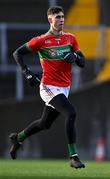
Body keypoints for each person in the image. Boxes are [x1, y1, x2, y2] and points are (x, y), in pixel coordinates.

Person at [9, 6, 86, 169]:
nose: (62, 20)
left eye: (63, 17)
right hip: (48, 87)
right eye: (58, 17)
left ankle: (18, 138)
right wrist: (27, 73)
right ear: (50, 20)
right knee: (71, 113)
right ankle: (73, 157)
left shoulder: (70, 39)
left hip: (64, 88)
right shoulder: (41, 40)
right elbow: (17, 53)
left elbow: (82, 61)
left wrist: (76, 57)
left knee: (45, 123)